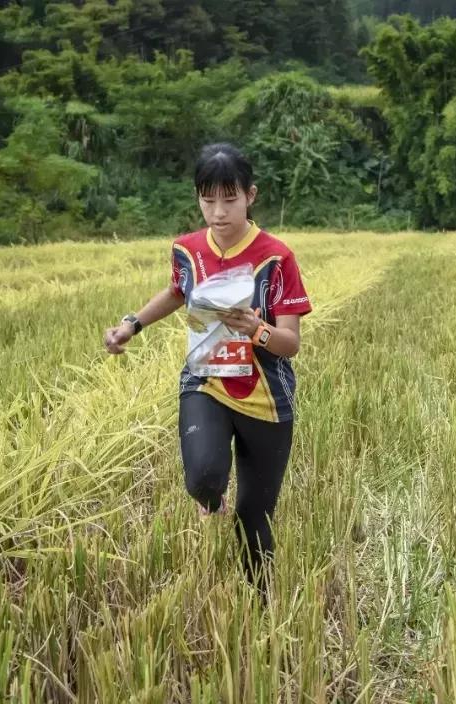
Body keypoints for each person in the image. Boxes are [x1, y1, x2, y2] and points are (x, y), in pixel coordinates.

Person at [103, 143, 312, 589]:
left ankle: (262, 608)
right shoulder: (187, 249)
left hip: (265, 398)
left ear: (251, 195)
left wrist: (257, 329)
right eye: (207, 199)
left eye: (229, 199)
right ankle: (211, 500)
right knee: (202, 478)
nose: (218, 212)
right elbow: (178, 292)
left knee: (253, 520)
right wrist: (131, 324)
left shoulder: (276, 257)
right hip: (205, 382)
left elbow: (290, 343)